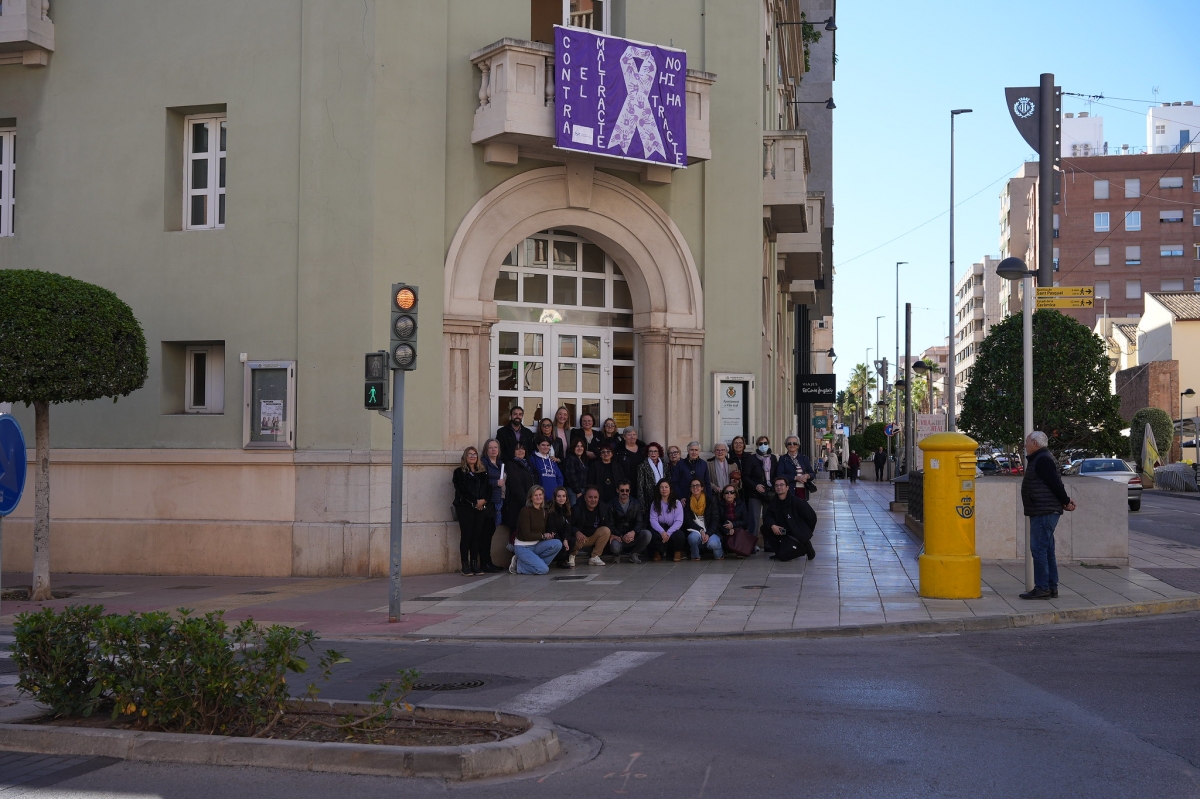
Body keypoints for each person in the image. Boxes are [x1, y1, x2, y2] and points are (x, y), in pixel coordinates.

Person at [1020, 431, 1075, 600]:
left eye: (1027, 442)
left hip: (1043, 511)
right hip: (1043, 510)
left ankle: (1042, 587)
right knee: (1047, 549)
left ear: (1035, 443)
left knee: (1039, 549)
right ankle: (1051, 587)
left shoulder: (1042, 459)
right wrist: (1064, 501)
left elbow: (1055, 483)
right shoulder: (1042, 457)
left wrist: (1065, 501)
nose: (1025, 445)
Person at [451, 446, 491, 575]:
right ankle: (465, 564)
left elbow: (488, 489)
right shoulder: (459, 472)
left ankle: (474, 563)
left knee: (477, 535)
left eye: (475, 454)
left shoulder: (483, 473)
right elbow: (461, 490)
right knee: (466, 535)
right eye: (470, 454)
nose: (473, 456)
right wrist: (475, 501)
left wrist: (483, 500)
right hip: (465, 507)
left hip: (480, 508)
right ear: (465, 457)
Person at [761, 477, 817, 562]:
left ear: (787, 487)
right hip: (783, 531)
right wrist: (773, 525)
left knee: (783, 557)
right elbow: (768, 516)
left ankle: (805, 548)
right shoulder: (774, 502)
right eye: (776, 485)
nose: (779, 487)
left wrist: (805, 533)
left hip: (795, 534)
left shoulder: (797, 502)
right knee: (765, 528)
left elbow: (812, 517)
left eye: (781, 485)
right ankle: (779, 552)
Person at [510, 485, 563, 575]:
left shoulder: (543, 511)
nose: (538, 497)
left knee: (557, 543)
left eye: (540, 494)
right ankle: (519, 566)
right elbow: (526, 535)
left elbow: (541, 531)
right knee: (543, 570)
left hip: (537, 545)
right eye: (535, 495)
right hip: (523, 547)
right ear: (531, 497)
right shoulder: (525, 511)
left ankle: (536, 564)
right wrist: (543, 536)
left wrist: (547, 535)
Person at [607, 480, 652, 563]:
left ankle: (634, 554)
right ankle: (616, 555)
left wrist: (633, 532)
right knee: (615, 547)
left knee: (647, 534)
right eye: (622, 490)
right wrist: (621, 536)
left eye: (627, 490)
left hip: (632, 536)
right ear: (617, 490)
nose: (625, 493)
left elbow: (640, 522)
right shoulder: (611, 505)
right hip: (618, 537)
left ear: (630, 490)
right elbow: (610, 525)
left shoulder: (636, 503)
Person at [479, 438, 506, 572]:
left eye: (495, 447)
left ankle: (488, 562)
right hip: (488, 502)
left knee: (490, 532)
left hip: (498, 502)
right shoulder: (484, 463)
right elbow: (481, 481)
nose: (493, 450)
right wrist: (496, 483)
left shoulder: (500, 464)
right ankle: (485, 563)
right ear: (486, 450)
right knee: (486, 533)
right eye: (490, 447)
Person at [572, 486, 614, 566]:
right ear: (585, 498)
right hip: (581, 538)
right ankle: (571, 555)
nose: (593, 500)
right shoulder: (576, 508)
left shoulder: (602, 507)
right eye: (590, 497)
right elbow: (570, 525)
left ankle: (594, 556)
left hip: (593, 537)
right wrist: (577, 532)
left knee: (606, 530)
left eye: (595, 497)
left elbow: (607, 524)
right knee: (574, 539)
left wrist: (612, 534)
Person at [683, 478, 723, 561]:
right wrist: (701, 530)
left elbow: (715, 520)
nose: (695, 488)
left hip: (711, 531)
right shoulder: (687, 503)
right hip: (696, 530)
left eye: (697, 485)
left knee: (713, 544)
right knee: (692, 538)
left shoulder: (710, 500)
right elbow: (688, 521)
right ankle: (695, 556)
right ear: (690, 488)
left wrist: (708, 533)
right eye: (693, 486)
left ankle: (720, 555)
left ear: (702, 488)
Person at [647, 478, 686, 562]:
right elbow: (653, 520)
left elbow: (679, 521)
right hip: (660, 528)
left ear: (670, 489)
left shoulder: (677, 503)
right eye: (661, 487)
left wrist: (668, 533)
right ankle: (657, 552)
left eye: (666, 487)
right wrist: (662, 532)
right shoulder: (654, 503)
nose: (664, 489)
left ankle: (677, 552)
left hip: (672, 529)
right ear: (659, 489)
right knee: (652, 534)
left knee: (680, 535)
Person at [501, 442, 536, 534]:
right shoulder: (511, 464)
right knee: (517, 535)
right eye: (517, 449)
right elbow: (515, 486)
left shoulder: (528, 465)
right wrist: (526, 502)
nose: (520, 451)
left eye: (522, 448)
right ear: (513, 452)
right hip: (518, 505)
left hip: (529, 503)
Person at [547, 487, 579, 569]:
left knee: (572, 541)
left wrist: (565, 539)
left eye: (563, 496)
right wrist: (561, 541)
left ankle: (562, 560)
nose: (561, 498)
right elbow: (551, 528)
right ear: (555, 497)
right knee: (560, 545)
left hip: (562, 535)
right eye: (559, 496)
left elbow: (568, 526)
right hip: (554, 536)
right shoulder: (551, 510)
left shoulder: (567, 510)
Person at [717, 483, 751, 557]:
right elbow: (716, 522)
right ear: (723, 495)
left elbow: (746, 521)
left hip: (738, 530)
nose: (729, 494)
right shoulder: (718, 505)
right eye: (726, 492)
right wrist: (727, 530)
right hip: (723, 531)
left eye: (732, 492)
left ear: (735, 495)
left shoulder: (741, 504)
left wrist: (733, 525)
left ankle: (739, 549)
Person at [636, 442, 668, 514]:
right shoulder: (642, 466)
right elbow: (640, 487)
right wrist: (642, 505)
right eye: (650, 451)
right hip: (649, 498)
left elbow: (668, 481)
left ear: (658, 453)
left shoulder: (664, 465)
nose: (653, 453)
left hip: (664, 496)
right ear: (648, 454)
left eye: (655, 451)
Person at [561, 437, 590, 504]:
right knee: (574, 508)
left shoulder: (583, 460)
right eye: (577, 446)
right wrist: (578, 491)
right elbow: (570, 476)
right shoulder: (570, 458)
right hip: (573, 491)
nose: (580, 448)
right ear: (573, 447)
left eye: (581, 446)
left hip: (582, 490)